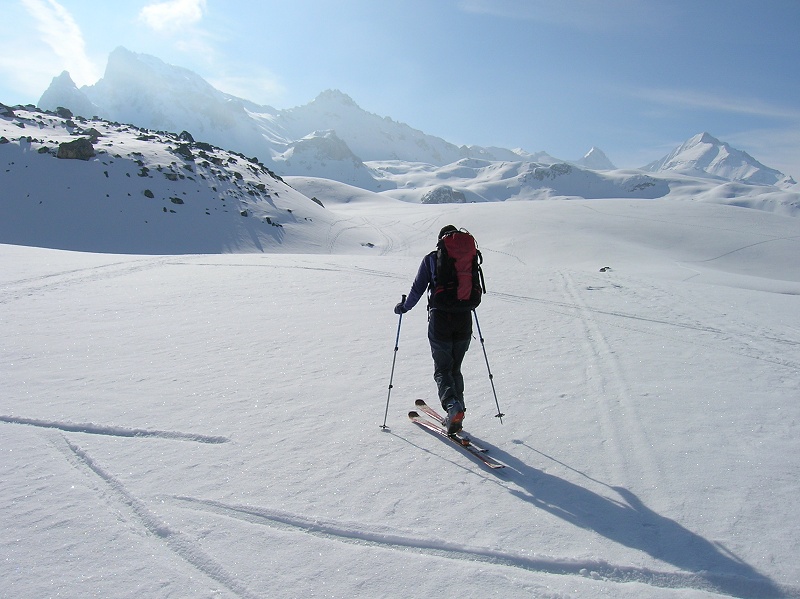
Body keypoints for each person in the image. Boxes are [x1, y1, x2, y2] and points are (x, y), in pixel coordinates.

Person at [394, 225, 472, 434]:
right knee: (455, 369)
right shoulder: (467, 258)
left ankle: (452, 407)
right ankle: (458, 412)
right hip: (464, 318)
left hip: (440, 321)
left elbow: (418, 288)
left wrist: (404, 307)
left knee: (442, 369)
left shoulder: (432, 259)